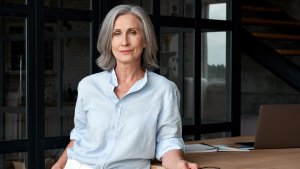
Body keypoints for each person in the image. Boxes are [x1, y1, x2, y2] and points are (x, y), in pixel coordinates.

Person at [52, 4, 198, 169]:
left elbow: (168, 140)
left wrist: (178, 163)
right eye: (117, 34)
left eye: (133, 32)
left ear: (145, 41)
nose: (124, 42)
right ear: (109, 42)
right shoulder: (88, 85)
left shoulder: (164, 90)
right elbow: (79, 136)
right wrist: (58, 165)